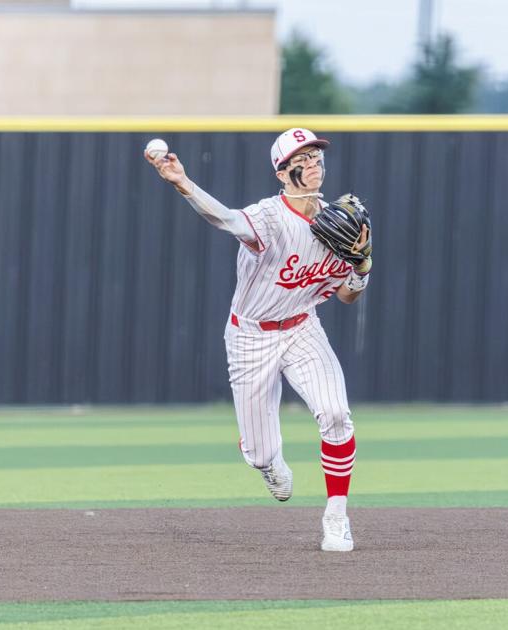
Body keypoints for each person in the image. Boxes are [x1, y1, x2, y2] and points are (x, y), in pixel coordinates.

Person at [144, 127, 371, 552]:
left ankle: (336, 517)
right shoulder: (269, 216)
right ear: (283, 173)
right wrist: (183, 184)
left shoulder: (338, 221)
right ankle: (265, 460)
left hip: (303, 327)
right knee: (264, 456)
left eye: (317, 155)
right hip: (251, 336)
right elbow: (226, 219)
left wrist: (362, 266)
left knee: (337, 414)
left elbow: (346, 295)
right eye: (302, 159)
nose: (314, 163)